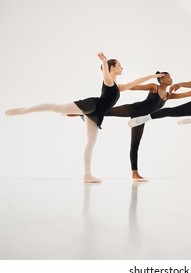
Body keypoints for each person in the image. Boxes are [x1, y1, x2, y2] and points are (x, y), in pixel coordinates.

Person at [5, 52, 162, 183]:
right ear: (112, 68)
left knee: (91, 142)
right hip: (92, 105)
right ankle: (24, 110)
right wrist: (105, 62)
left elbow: (135, 81)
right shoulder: (108, 80)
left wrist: (152, 76)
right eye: (119, 65)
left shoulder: (118, 87)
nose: (122, 67)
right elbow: (106, 74)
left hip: (97, 114)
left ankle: (87, 175)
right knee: (58, 107)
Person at [104, 71, 191, 181]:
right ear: (162, 80)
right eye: (168, 77)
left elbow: (186, 94)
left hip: (140, 119)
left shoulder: (168, 95)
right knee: (107, 111)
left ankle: (134, 174)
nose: (171, 79)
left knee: (135, 144)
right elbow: (136, 87)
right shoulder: (154, 87)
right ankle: (87, 114)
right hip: (134, 108)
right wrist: (118, 87)